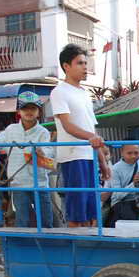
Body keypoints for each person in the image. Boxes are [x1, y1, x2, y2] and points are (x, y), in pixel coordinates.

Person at [0, 92, 54, 228]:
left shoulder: (43, 132)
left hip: (40, 184)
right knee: (22, 220)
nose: (29, 112)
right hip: (18, 183)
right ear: (19, 111)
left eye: (33, 108)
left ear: (39, 111)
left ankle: (48, 247)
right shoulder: (11, 130)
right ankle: (23, 247)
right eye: (25, 108)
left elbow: (49, 154)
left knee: (46, 220)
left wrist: (41, 152)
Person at [50, 44, 111, 227]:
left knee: (92, 206)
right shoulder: (59, 92)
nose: (85, 67)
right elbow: (67, 125)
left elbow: (92, 131)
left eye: (86, 63)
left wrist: (102, 161)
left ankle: (92, 243)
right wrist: (91, 139)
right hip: (73, 155)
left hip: (89, 155)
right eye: (80, 63)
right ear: (66, 66)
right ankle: (77, 247)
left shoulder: (84, 94)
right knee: (78, 208)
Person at [104, 141, 139, 226]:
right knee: (131, 219)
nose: (133, 156)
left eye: (136, 153)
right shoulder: (115, 169)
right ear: (122, 153)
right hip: (121, 202)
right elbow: (117, 195)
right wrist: (133, 183)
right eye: (129, 153)